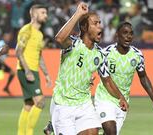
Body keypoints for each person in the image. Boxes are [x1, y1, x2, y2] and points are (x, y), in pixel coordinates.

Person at [50, 2, 128, 135]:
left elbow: (107, 80)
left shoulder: (100, 54)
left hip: (84, 104)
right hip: (63, 104)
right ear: (85, 27)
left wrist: (120, 97)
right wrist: (78, 14)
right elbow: (59, 38)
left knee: (92, 132)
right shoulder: (73, 44)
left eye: (100, 23)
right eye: (95, 23)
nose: (100, 26)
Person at [94, 22, 153, 135]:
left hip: (123, 103)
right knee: (111, 132)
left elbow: (143, 77)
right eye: (125, 33)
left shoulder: (137, 55)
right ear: (117, 34)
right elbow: (99, 73)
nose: (128, 36)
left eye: (131, 34)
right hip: (105, 98)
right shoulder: (106, 53)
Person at [15, 4, 52, 135]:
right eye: (43, 13)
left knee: (28, 105)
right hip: (26, 70)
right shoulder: (27, 30)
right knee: (40, 102)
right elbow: (18, 51)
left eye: (46, 13)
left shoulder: (40, 34)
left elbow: (39, 55)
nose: (45, 15)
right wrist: (27, 71)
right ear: (34, 14)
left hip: (33, 71)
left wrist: (46, 74)